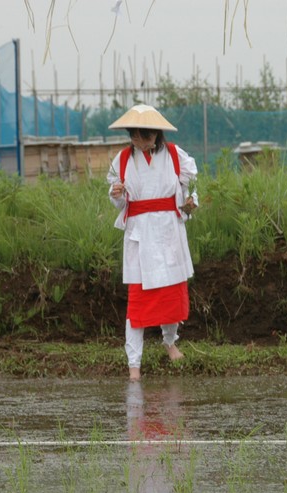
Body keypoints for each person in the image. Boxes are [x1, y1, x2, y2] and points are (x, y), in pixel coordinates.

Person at [106, 104, 198, 382]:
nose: (139, 141)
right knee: (137, 301)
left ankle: (170, 343)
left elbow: (189, 189)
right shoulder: (122, 160)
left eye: (144, 135)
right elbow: (119, 200)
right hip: (140, 235)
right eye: (134, 135)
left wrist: (191, 203)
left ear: (156, 134)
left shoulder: (175, 156)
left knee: (171, 293)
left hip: (169, 233)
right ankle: (134, 364)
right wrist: (117, 193)